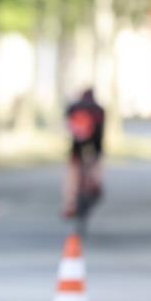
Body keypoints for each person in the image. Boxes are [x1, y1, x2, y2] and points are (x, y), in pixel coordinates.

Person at [62, 88, 105, 218]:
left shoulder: (74, 107)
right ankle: (94, 181)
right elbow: (101, 132)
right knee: (95, 162)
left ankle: (70, 203)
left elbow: (67, 125)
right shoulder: (99, 109)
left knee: (73, 170)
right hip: (95, 141)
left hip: (77, 142)